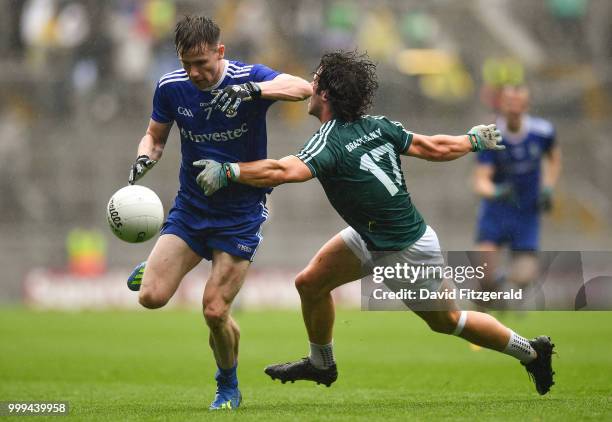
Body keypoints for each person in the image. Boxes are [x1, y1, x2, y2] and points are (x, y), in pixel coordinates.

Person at [194, 51, 556, 396]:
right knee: (311, 283)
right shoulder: (377, 125)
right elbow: (431, 147)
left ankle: (532, 352)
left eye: (315, 79)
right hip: (371, 235)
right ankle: (322, 364)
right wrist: (471, 139)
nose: (310, 84)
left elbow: (283, 170)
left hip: (404, 251)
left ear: (325, 94)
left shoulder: (328, 141)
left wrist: (231, 171)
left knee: (449, 321)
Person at [125, 15, 312, 410]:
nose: (194, 73)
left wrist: (253, 91)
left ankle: (227, 384)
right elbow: (155, 136)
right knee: (151, 298)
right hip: (192, 209)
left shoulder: (247, 77)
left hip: (240, 213)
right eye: (186, 64)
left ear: (219, 52)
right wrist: (146, 157)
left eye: (202, 63)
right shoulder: (171, 88)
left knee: (214, 310)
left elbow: (302, 88)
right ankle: (157, 267)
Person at [473, 85, 562, 292]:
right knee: (483, 277)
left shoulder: (543, 131)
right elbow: (480, 181)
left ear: (527, 105)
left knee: (523, 277)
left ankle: (502, 285)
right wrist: (497, 191)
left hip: (527, 211)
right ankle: (477, 313)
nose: (514, 108)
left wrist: (548, 187)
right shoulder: (491, 134)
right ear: (501, 105)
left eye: (519, 103)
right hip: (496, 211)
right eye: (509, 103)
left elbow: (554, 159)